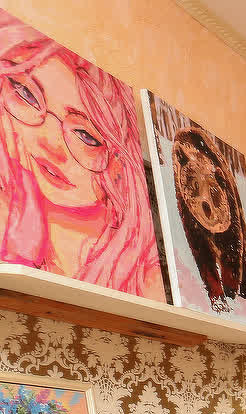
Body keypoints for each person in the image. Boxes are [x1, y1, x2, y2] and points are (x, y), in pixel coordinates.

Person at [0, 14, 163, 299]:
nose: (50, 143)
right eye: (27, 94)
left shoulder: (145, 279)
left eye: (86, 136)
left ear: (120, 165)